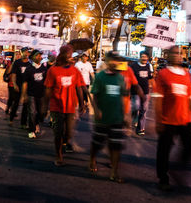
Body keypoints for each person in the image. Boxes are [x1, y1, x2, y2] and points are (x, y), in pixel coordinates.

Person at [154, 46, 191, 191]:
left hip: (184, 119)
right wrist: (158, 119)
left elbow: (190, 98)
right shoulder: (163, 74)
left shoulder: (186, 74)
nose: (178, 56)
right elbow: (157, 99)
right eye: (175, 53)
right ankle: (163, 178)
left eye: (180, 53)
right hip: (167, 120)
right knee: (164, 150)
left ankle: (176, 169)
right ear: (168, 55)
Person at [90, 51, 128, 183]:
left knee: (115, 146)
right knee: (97, 143)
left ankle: (114, 172)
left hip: (117, 118)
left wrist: (126, 116)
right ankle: (92, 159)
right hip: (102, 118)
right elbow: (94, 95)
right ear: (107, 61)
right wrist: (96, 110)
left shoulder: (121, 78)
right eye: (112, 60)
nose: (115, 62)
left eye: (116, 60)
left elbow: (123, 97)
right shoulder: (100, 77)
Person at [44, 45, 85, 166]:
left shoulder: (74, 70)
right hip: (56, 106)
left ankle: (65, 142)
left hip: (71, 106)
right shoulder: (53, 70)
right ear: (62, 55)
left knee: (68, 133)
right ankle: (59, 155)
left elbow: (79, 87)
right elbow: (48, 89)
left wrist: (82, 103)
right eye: (68, 53)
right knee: (58, 132)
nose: (71, 56)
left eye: (71, 54)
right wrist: (44, 106)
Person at [21, 49, 48, 139]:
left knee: (41, 113)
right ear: (33, 57)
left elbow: (47, 82)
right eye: (37, 55)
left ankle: (36, 123)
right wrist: (24, 95)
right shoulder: (29, 69)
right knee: (32, 112)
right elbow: (25, 83)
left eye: (40, 55)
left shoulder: (44, 69)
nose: (39, 57)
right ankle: (31, 130)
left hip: (41, 95)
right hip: (31, 94)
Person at [130, 51, 153, 136]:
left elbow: (150, 78)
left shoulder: (148, 66)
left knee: (143, 110)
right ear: (139, 57)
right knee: (136, 106)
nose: (144, 58)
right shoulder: (134, 66)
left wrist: (151, 87)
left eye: (146, 57)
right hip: (135, 91)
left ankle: (140, 128)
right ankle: (134, 119)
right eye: (143, 56)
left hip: (146, 91)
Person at [9, 47, 31, 127]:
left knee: (26, 105)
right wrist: (14, 84)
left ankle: (23, 123)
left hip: (27, 87)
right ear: (21, 53)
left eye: (27, 52)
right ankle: (11, 119)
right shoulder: (17, 62)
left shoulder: (30, 64)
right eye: (24, 52)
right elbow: (13, 74)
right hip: (18, 86)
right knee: (16, 103)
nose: (26, 53)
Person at [5, 52, 21, 117]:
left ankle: (13, 111)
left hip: (19, 83)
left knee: (17, 99)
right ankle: (8, 108)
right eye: (16, 54)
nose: (18, 56)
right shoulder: (10, 63)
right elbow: (8, 72)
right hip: (11, 83)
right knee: (11, 98)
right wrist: (13, 63)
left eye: (19, 54)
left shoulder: (22, 64)